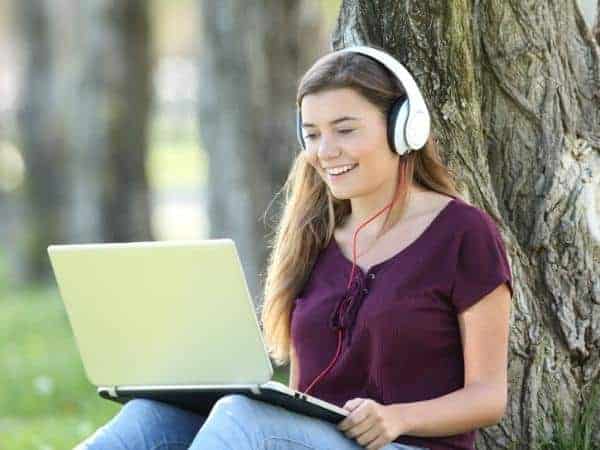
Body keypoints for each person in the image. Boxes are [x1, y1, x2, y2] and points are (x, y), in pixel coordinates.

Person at [76, 44, 513, 450]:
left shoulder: (462, 233)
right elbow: (301, 394)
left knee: (243, 418)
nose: (326, 151)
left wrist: (397, 418)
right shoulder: (316, 237)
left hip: (406, 444)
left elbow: (488, 397)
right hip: (316, 439)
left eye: (345, 129)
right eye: (313, 134)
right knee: (148, 418)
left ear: (403, 128)